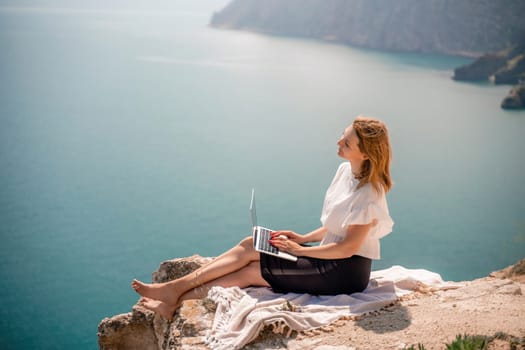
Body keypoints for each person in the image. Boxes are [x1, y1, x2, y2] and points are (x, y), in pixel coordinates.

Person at [132, 116, 394, 320]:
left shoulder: (368, 194)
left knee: (251, 272)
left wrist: (299, 251)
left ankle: (175, 301)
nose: (338, 142)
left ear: (366, 154)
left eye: (347, 143)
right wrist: (303, 239)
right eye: (342, 136)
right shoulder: (345, 171)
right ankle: (175, 289)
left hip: (344, 272)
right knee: (251, 244)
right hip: (329, 255)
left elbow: (347, 248)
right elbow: (334, 227)